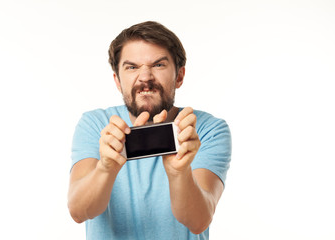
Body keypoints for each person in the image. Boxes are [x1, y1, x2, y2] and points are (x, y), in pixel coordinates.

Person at [68, 21, 232, 240]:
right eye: (132, 67)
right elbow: (79, 212)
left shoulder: (206, 129)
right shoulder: (97, 125)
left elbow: (199, 221)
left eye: (158, 65)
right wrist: (106, 168)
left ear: (180, 76)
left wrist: (178, 173)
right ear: (117, 80)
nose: (145, 77)